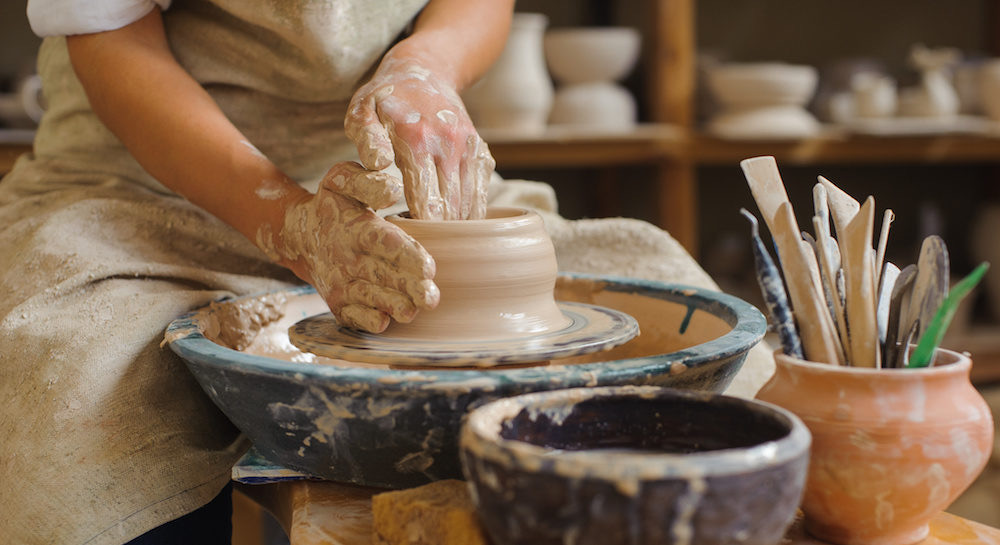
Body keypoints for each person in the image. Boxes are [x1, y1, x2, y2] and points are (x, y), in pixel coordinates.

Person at [1, 0, 774, 543]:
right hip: (142, 183)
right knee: (71, 402)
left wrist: (425, 65)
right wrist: (291, 223)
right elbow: (110, 39)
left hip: (380, 181)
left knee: (711, 351)